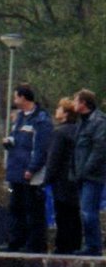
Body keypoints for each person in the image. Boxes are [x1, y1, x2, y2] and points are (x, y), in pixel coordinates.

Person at [4, 83, 52, 253]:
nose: (14, 100)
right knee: (16, 208)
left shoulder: (41, 120)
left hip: (30, 173)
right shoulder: (21, 118)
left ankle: (35, 245)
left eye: (16, 96)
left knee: (33, 210)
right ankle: (16, 241)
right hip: (16, 171)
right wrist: (9, 142)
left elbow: (41, 148)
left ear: (23, 98)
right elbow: (17, 138)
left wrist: (32, 168)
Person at [72, 89, 106, 256]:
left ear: (83, 103)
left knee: (88, 212)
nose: (73, 104)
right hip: (81, 174)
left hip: (92, 175)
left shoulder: (98, 122)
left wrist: (85, 170)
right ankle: (90, 244)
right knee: (85, 211)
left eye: (76, 100)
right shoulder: (82, 122)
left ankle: (93, 246)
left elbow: (99, 149)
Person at [46, 97, 83, 254]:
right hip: (76, 178)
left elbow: (54, 159)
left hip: (62, 179)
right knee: (75, 213)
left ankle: (62, 245)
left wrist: (47, 179)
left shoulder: (59, 133)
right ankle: (76, 244)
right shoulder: (80, 130)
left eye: (59, 108)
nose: (56, 111)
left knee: (62, 213)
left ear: (66, 113)